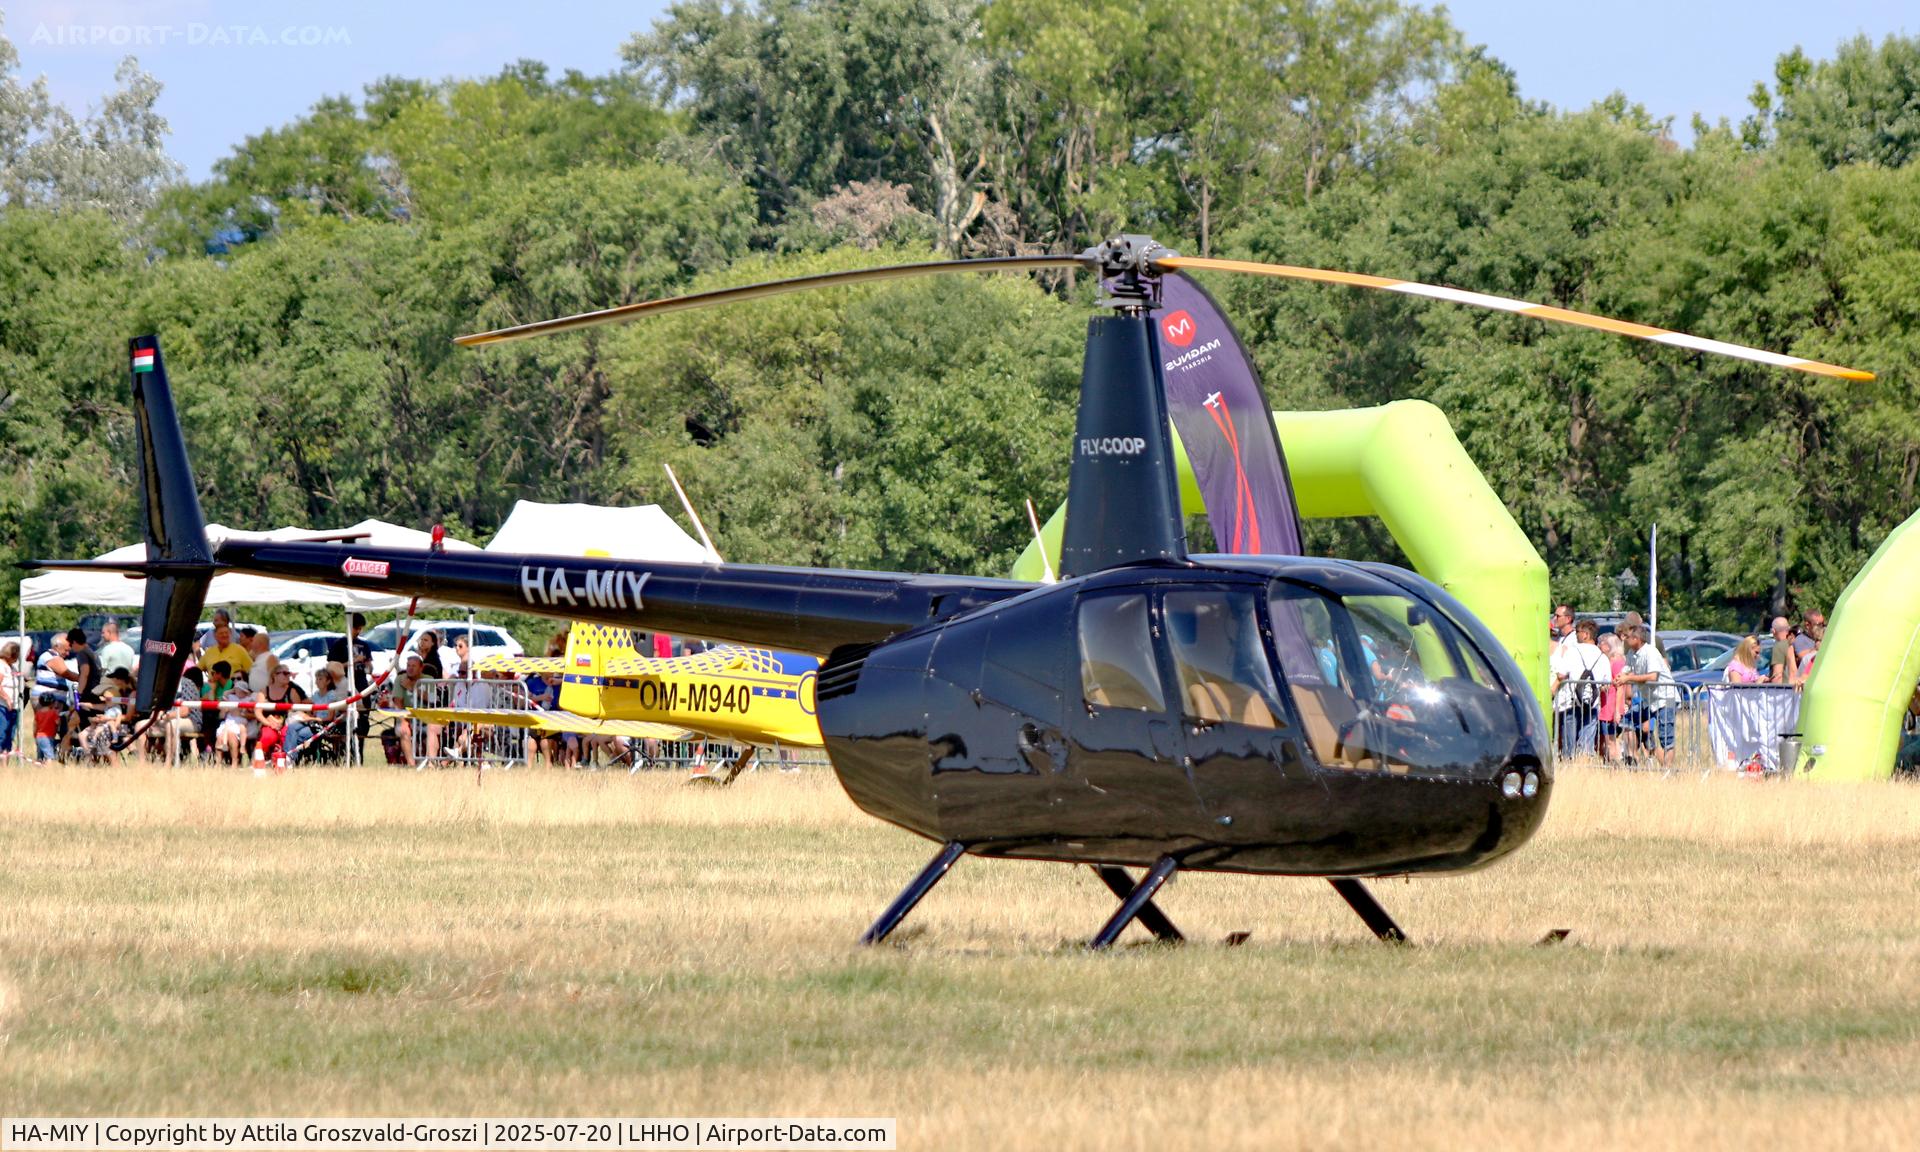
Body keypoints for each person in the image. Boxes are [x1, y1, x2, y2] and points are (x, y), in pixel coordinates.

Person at [1618, 624, 1680, 768]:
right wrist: (1619, 677)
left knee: (1666, 735)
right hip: (1650, 699)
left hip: (1667, 697)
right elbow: (1626, 669)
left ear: (1636, 638)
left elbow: (1653, 677)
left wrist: (1628, 679)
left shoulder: (1650, 652)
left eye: (1627, 637)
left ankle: (1667, 770)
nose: (1625, 640)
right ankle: (1633, 758)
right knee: (1627, 721)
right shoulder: (1632, 653)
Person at [1550, 618, 1610, 758]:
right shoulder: (1602, 656)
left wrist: (1553, 689)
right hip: (1592, 706)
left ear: (1585, 634)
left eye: (1577, 632)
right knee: (1586, 747)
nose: (1576, 635)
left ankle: (1570, 769)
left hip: (1571, 704)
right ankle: (1584, 769)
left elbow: (1561, 674)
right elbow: (1605, 685)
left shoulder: (1573, 651)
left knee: (1568, 747)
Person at [327, 614, 376, 754]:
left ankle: (358, 752)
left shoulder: (364, 644)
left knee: (363, 721)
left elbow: (370, 666)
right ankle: (343, 752)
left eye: (360, 629)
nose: (358, 631)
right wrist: (353, 661)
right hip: (344, 685)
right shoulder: (339, 644)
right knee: (344, 719)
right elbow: (333, 667)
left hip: (362, 685)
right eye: (356, 628)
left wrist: (368, 665)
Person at [61, 628, 102, 760]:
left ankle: (63, 755)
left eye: (71, 644)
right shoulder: (92, 652)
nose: (71, 648)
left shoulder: (82, 653)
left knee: (72, 723)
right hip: (96, 693)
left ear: (74, 642)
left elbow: (84, 673)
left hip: (88, 694)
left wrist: (79, 694)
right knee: (83, 724)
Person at [261, 665, 310, 764]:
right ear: (275, 675)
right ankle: (262, 762)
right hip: (268, 724)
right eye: (285, 673)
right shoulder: (264, 691)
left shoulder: (292, 691)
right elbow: (257, 713)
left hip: (286, 724)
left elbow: (298, 712)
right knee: (267, 736)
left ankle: (287, 761)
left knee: (287, 733)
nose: (288, 676)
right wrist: (268, 722)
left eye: (289, 673)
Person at [1595, 634, 1627, 763]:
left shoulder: (1617, 662)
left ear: (1609, 646)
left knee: (1611, 741)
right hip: (1606, 706)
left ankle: (1616, 766)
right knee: (1607, 740)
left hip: (1611, 708)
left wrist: (1617, 710)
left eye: (1602, 642)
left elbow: (1620, 687)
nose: (1599, 645)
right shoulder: (1610, 661)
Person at [1766, 617, 1800, 687]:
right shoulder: (1790, 645)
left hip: (1782, 692)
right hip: (1793, 689)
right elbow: (1794, 672)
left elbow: (1777, 676)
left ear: (1773, 631)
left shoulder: (1779, 646)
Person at [0, 640, 19, 757]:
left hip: (13, 706)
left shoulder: (12, 666)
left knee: (9, 736)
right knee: (1, 734)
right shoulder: (1, 665)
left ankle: (5, 765)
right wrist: (6, 698)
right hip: (2, 706)